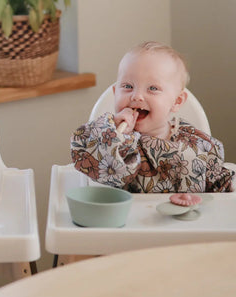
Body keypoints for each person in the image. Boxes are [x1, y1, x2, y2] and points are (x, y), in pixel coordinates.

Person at [70, 41, 235, 193]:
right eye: (128, 86)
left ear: (176, 102)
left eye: (152, 88)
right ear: (115, 93)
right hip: (130, 221)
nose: (137, 96)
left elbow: (218, 182)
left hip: (186, 222)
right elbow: (93, 163)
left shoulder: (196, 143)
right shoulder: (111, 138)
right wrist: (116, 135)